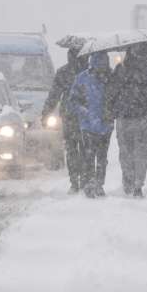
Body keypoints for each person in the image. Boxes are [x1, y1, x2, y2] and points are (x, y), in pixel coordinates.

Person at [105, 43, 147, 197]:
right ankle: (137, 185)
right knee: (141, 153)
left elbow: (110, 93)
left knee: (126, 153)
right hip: (142, 117)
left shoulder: (121, 69)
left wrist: (113, 110)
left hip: (125, 117)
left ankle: (129, 182)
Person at [67, 52, 113, 198]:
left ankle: (94, 183)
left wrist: (109, 110)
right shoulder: (85, 78)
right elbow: (73, 101)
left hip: (98, 124)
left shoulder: (86, 78)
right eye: (101, 62)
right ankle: (94, 183)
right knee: (97, 156)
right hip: (91, 125)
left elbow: (73, 101)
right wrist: (84, 111)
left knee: (95, 156)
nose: (102, 65)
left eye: (104, 61)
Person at [42, 47, 86, 193]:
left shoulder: (63, 72)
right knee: (85, 148)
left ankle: (74, 181)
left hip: (69, 116)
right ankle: (84, 178)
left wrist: (46, 113)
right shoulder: (88, 71)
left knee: (72, 149)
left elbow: (54, 95)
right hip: (86, 115)